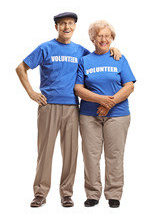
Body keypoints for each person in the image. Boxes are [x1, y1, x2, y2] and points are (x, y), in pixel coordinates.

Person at [16, 13, 121, 208]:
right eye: (63, 23)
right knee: (45, 151)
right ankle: (40, 193)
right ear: (56, 26)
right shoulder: (45, 48)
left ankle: (66, 193)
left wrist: (113, 48)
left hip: (73, 107)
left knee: (70, 153)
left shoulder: (80, 51)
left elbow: (99, 54)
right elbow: (21, 68)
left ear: (74, 27)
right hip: (48, 106)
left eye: (71, 24)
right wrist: (31, 92)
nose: (67, 27)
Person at [74, 20, 136, 208]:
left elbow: (129, 86)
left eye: (108, 36)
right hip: (88, 115)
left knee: (114, 155)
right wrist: (101, 100)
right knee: (90, 155)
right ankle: (92, 194)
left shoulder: (119, 58)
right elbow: (78, 89)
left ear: (112, 38)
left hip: (118, 114)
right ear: (93, 38)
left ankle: (114, 194)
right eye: (100, 35)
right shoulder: (85, 60)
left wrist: (110, 103)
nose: (104, 39)